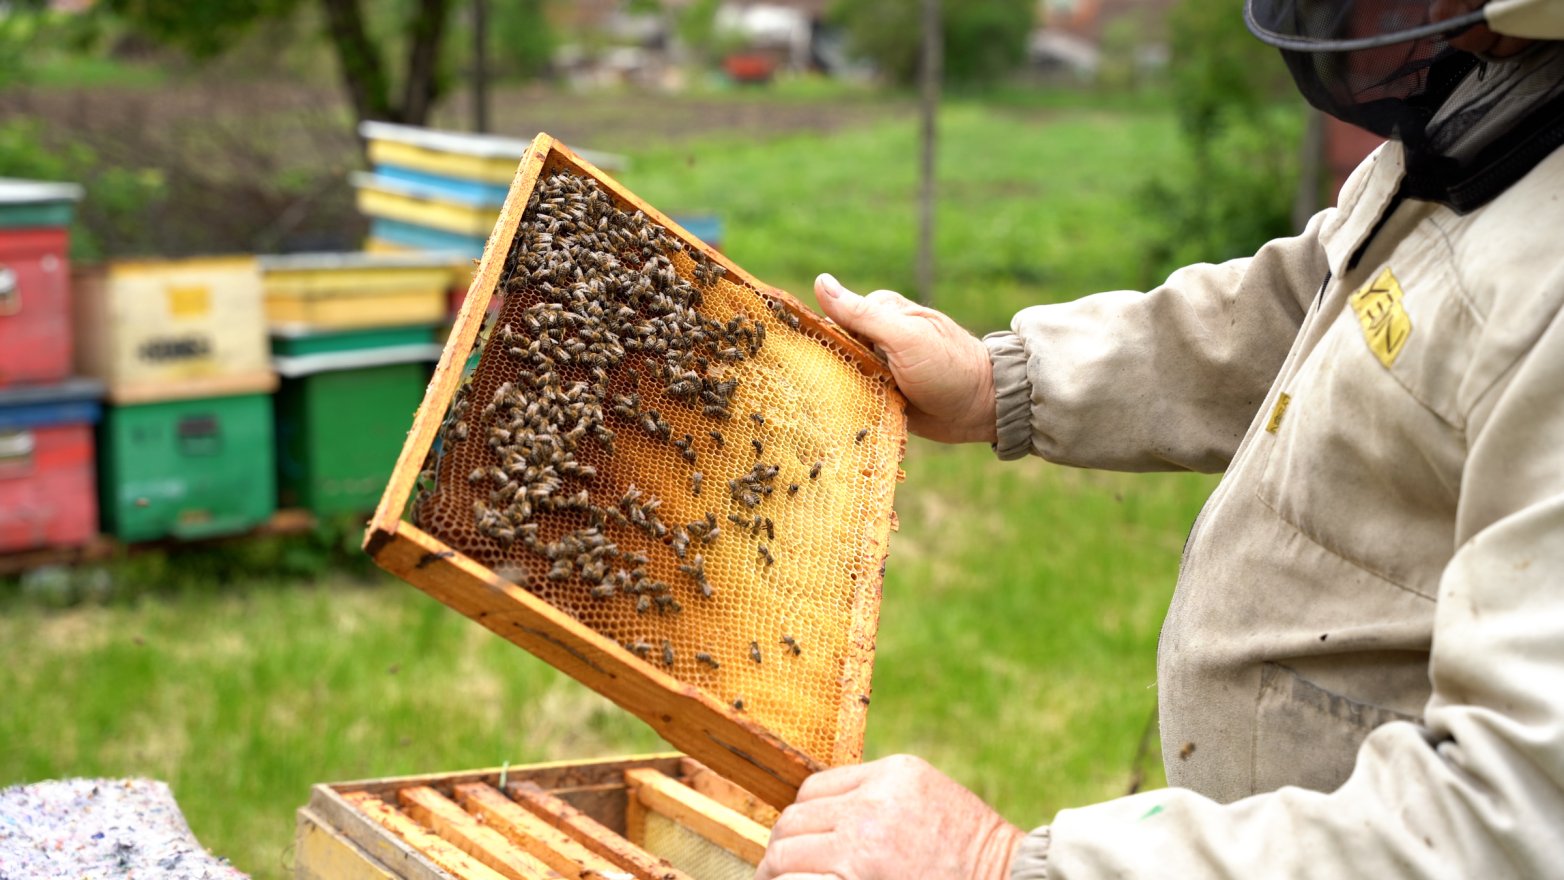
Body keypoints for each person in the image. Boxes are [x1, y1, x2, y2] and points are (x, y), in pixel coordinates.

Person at [755, 0, 1564, 877]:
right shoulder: (1503, 108)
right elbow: (1321, 302)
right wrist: (1007, 379)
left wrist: (993, 863)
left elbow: (1514, 822)